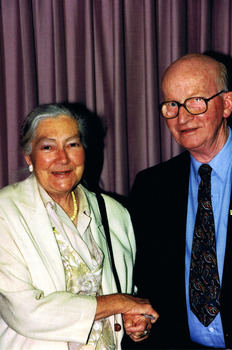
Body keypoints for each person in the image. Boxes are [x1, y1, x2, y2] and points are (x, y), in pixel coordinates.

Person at [0, 103, 158, 350]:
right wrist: (120, 303)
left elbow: (129, 293)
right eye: (48, 147)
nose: (62, 158)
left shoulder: (115, 213)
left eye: (72, 144)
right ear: (29, 156)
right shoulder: (6, 212)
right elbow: (25, 311)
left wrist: (136, 321)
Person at [129, 54, 232, 349]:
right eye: (172, 105)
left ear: (226, 104)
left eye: (196, 100)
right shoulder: (151, 187)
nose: (182, 118)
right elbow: (146, 285)